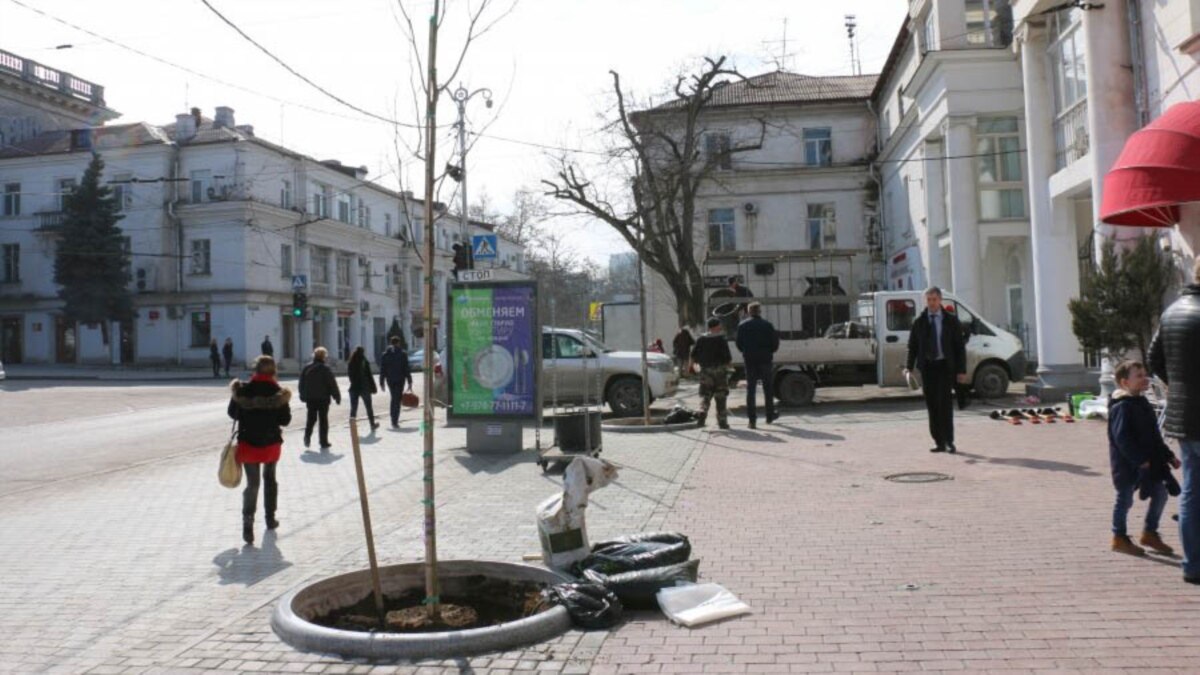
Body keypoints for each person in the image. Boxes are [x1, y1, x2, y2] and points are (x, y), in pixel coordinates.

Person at [1149, 259, 1200, 583]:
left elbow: (1155, 358)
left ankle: (1192, 565)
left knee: (1192, 492)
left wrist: (1178, 385)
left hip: (1185, 416)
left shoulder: (1172, 312)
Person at [1108, 360, 1180, 557]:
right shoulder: (1122, 407)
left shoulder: (1142, 402)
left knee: (1161, 494)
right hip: (1128, 465)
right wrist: (1139, 460)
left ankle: (1149, 532)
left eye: (1144, 374)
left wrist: (1168, 456)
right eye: (1138, 376)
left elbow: (1154, 436)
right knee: (1125, 500)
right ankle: (1119, 537)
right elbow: (1122, 439)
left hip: (1149, 463)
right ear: (1124, 383)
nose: (1144, 379)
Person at [227, 355, 291, 546]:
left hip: (248, 444)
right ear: (273, 372)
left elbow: (232, 413)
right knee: (270, 479)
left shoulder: (243, 390)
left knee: (252, 484)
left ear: (254, 370)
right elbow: (285, 420)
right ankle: (270, 518)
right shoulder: (278, 392)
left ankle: (248, 522)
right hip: (271, 444)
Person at [904, 286, 967, 453]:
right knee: (932, 405)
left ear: (940, 300)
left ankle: (949, 441)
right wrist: (908, 367)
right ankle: (938, 441)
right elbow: (913, 347)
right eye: (928, 300)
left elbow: (959, 347)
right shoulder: (920, 322)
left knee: (945, 404)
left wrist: (961, 371)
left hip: (945, 367)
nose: (931, 303)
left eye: (934, 299)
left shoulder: (951, 321)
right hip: (928, 368)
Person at [735, 301, 780, 429]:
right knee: (768, 388)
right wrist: (768, 351)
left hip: (750, 360)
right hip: (765, 359)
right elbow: (775, 344)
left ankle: (752, 420)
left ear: (749, 312)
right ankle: (769, 416)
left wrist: (746, 351)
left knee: (751, 390)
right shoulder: (768, 325)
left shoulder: (742, 326)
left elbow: (738, 343)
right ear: (760, 311)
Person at [691, 317, 732, 430]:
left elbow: (693, 355)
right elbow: (728, 358)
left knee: (705, 396)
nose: (720, 327)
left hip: (705, 372)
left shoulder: (701, 339)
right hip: (720, 372)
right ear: (715, 326)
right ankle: (722, 422)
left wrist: (697, 366)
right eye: (719, 325)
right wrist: (728, 368)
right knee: (721, 396)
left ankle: (701, 417)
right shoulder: (721, 340)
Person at [299, 347, 340, 450]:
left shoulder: (307, 368)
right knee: (323, 420)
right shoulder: (325, 369)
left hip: (311, 398)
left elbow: (301, 384)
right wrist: (337, 396)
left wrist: (303, 395)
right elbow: (332, 384)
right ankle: (323, 442)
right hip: (323, 399)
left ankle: (307, 436)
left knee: (311, 419)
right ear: (324, 356)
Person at [379, 336, 414, 428]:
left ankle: (393, 418)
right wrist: (410, 381)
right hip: (399, 380)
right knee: (397, 399)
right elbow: (406, 368)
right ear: (398, 343)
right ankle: (395, 420)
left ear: (391, 343)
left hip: (390, 380)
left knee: (393, 398)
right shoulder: (403, 354)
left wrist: (381, 382)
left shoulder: (385, 354)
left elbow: (382, 369)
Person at [347, 346, 380, 431]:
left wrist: (354, 382)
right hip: (364, 387)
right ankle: (372, 424)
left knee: (353, 408)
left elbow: (350, 375)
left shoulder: (351, 362)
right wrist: (373, 387)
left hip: (354, 387)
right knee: (369, 407)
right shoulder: (364, 361)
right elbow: (369, 375)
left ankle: (352, 426)